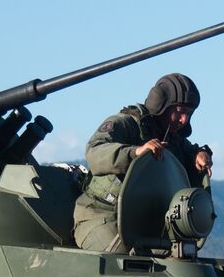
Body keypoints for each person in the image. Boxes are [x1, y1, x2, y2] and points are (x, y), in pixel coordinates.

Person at [73, 73, 213, 252]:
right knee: (124, 262)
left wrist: (199, 155)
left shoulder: (173, 139)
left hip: (145, 224)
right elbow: (94, 151)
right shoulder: (127, 123)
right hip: (100, 215)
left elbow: (189, 154)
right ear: (162, 104)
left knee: (179, 261)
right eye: (180, 112)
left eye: (189, 113)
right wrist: (135, 152)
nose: (184, 120)